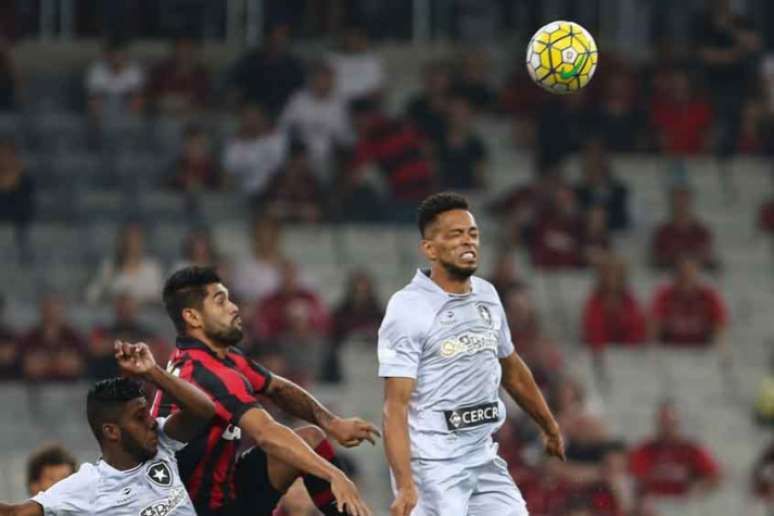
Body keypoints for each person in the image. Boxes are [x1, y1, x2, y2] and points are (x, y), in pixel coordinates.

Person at [379, 192, 565, 516]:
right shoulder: (408, 308)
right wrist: (406, 483)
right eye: (455, 235)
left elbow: (512, 368)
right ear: (430, 249)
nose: (468, 242)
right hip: (432, 466)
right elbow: (395, 406)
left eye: (473, 234)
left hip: (482, 457)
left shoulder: (488, 294)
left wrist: (548, 425)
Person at [153, 266, 377, 516]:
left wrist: (333, 423)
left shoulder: (219, 359)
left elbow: (278, 388)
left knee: (312, 439)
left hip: (222, 492)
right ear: (193, 317)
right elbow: (267, 433)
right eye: (220, 301)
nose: (233, 307)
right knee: (309, 457)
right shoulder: (207, 375)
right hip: (192, 509)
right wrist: (334, 474)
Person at [0, 340, 216, 515]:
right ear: (111, 431)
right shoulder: (88, 486)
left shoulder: (161, 442)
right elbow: (14, 513)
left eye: (148, 413)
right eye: (139, 417)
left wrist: (152, 372)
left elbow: (204, 411)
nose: (151, 422)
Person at [629, 401, 721, 498]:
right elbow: (633, 476)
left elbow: (715, 476)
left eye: (671, 423)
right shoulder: (645, 450)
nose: (667, 428)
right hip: (654, 502)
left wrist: (699, 487)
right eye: (663, 423)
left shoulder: (691, 449)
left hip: (685, 504)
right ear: (657, 424)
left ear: (678, 424)